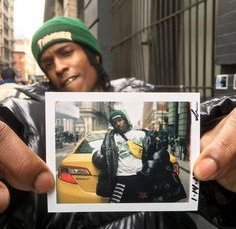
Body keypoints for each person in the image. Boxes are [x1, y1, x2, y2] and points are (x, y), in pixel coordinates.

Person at [0, 16, 235, 228]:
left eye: (66, 52)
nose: (59, 67)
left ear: (94, 56)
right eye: (48, 64)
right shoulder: (27, 111)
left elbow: (191, 135)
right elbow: (12, 123)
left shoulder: (141, 94)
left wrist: (212, 142)